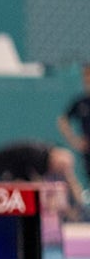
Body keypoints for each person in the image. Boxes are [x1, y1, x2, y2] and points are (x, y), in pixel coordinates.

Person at [0, 140, 86, 221]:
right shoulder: (38, 158)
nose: (60, 172)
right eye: (61, 169)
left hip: (20, 169)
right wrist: (65, 210)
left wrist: (79, 201)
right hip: (2, 166)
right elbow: (38, 187)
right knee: (30, 191)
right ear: (54, 160)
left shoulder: (52, 160)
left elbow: (70, 180)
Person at [56, 64, 90, 193]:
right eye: (86, 76)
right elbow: (63, 120)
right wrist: (74, 140)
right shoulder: (80, 102)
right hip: (87, 150)